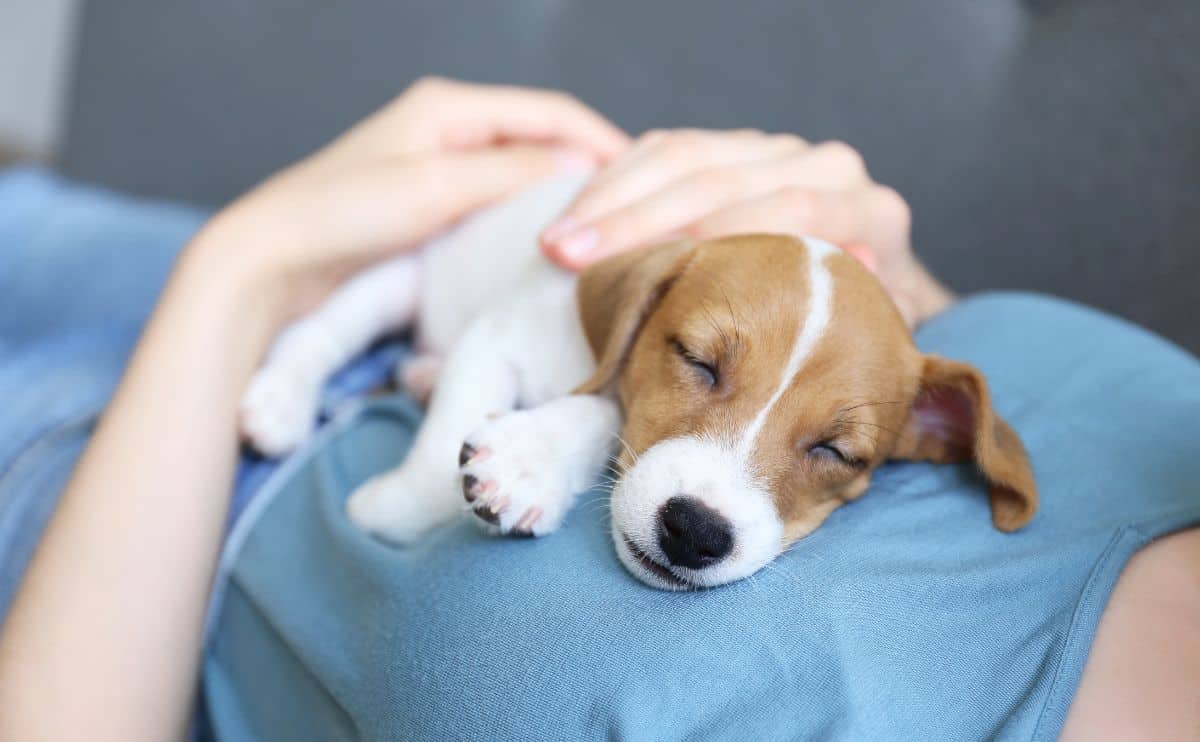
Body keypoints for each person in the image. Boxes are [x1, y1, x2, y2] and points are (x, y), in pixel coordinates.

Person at [0, 77, 1195, 741]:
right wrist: (875, 254)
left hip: (140, 532)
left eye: (831, 451)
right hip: (377, 269)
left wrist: (238, 273)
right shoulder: (1167, 406)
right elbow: (896, 337)